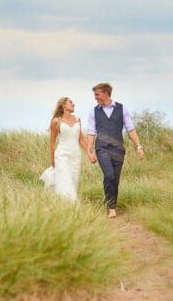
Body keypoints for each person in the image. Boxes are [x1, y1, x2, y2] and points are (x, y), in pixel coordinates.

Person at [85, 82, 144, 218]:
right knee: (109, 175)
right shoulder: (94, 112)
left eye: (97, 95)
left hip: (118, 150)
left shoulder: (122, 109)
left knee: (115, 179)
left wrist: (139, 147)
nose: (95, 98)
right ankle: (110, 206)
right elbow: (91, 132)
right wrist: (89, 151)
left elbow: (130, 129)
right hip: (102, 148)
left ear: (106, 93)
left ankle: (113, 205)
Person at [42, 96, 83, 202]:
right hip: (62, 155)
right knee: (65, 181)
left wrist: (90, 151)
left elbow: (81, 139)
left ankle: (60, 204)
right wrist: (52, 160)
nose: (73, 104)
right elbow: (52, 143)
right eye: (71, 102)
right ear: (63, 105)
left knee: (73, 181)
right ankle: (72, 206)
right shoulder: (56, 121)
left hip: (75, 155)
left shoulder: (77, 119)